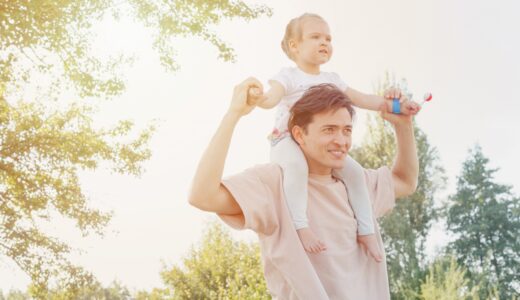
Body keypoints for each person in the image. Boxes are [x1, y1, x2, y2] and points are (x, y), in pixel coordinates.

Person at [189, 79, 419, 299]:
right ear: (299, 134)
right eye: (329, 130)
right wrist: (233, 115)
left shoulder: (358, 186)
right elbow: (203, 196)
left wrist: (403, 126)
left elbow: (405, 181)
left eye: (347, 130)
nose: (341, 140)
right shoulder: (273, 184)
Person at [247, 13, 419, 259]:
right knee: (295, 167)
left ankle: (366, 230)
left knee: (356, 174)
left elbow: (363, 99)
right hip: (287, 140)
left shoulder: (332, 80)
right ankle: (301, 225)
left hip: (322, 147)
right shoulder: (288, 77)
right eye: (315, 37)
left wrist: (396, 107)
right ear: (294, 46)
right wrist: (257, 98)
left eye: (328, 38)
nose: (324, 43)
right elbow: (271, 97)